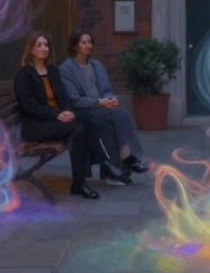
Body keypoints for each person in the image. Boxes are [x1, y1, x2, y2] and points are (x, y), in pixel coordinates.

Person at [14, 31, 126, 197]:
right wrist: (57, 115)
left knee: (85, 118)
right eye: (39, 45)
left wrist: (66, 111)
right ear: (31, 49)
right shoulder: (24, 75)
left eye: (46, 45)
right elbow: (30, 107)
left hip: (56, 118)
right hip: (35, 125)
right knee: (78, 130)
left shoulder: (52, 70)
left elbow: (65, 99)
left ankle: (87, 177)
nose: (43, 48)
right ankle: (89, 174)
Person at [59, 30, 150, 180]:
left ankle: (121, 162)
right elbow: (74, 99)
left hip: (102, 106)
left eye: (90, 42)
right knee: (118, 114)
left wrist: (110, 99)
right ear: (75, 46)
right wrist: (100, 102)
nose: (88, 45)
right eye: (84, 42)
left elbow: (106, 89)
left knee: (117, 114)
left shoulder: (96, 65)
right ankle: (128, 158)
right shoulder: (66, 69)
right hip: (85, 110)